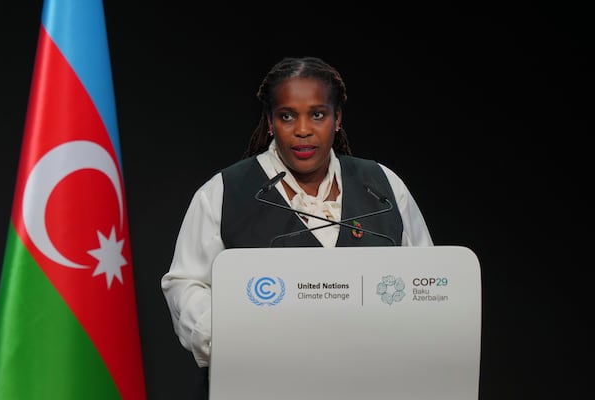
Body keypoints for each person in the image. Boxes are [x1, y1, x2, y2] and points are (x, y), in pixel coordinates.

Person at [160, 56, 433, 395]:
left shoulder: (383, 187)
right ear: (271, 123)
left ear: (337, 119)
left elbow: (426, 278)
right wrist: (228, 341)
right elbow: (185, 283)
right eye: (287, 116)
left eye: (317, 114)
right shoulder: (224, 191)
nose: (303, 129)